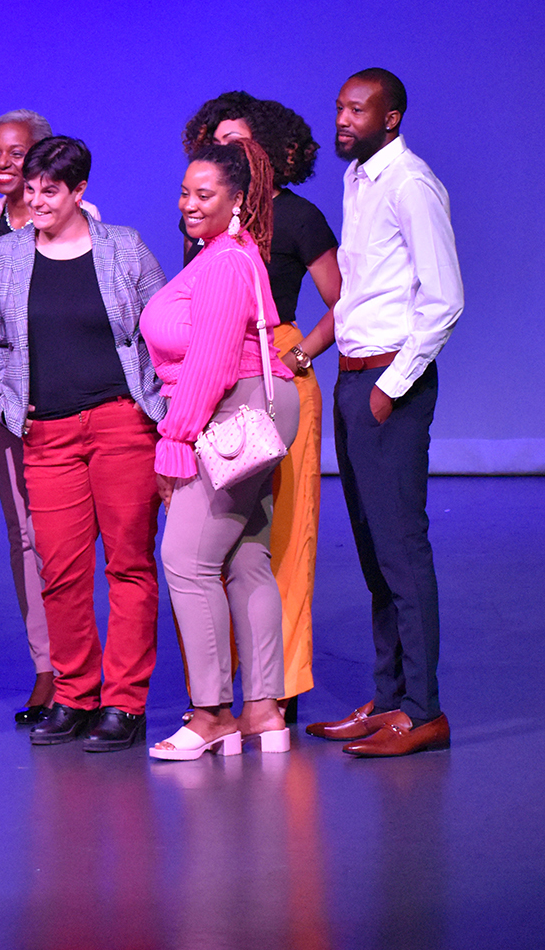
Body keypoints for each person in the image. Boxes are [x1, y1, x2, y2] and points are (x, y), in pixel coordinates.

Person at [0, 136, 167, 753]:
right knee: (58, 567)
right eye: (28, 190)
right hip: (49, 432)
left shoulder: (123, 248)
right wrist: (13, 404)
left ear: (79, 191)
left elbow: (164, 333)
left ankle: (124, 702)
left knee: (129, 563)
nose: (35, 201)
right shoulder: (8, 256)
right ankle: (76, 693)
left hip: (121, 425)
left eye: (49, 191)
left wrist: (163, 416)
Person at [306, 68, 462, 758]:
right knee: (373, 552)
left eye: (358, 109)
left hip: (388, 386)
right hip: (354, 377)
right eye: (341, 106)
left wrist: (389, 386)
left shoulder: (411, 184)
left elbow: (445, 298)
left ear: (391, 117)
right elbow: (363, 290)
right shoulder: (360, 179)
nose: (343, 118)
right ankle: (391, 696)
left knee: (401, 550)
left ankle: (423, 711)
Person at [181, 96, 341, 717]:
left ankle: (281, 686)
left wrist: (301, 355)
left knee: (283, 534)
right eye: (215, 143)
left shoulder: (299, 218)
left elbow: (344, 300)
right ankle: (233, 686)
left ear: (269, 151)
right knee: (227, 539)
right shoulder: (207, 222)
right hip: (219, 378)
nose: (227, 152)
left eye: (239, 142)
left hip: (277, 380)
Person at [141, 139, 302, 760]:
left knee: (185, 557)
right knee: (245, 557)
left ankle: (211, 716)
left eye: (204, 194)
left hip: (230, 411)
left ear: (237, 200)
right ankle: (263, 711)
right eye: (185, 192)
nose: (189, 204)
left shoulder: (227, 263)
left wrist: (174, 439)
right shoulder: (223, 256)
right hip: (247, 408)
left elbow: (208, 363)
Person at [0, 109, 100, 725]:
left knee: (75, 540)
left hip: (71, 395)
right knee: (26, 536)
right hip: (4, 396)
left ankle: (90, 669)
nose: (4, 164)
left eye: (17, 153)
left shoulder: (84, 220)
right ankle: (51, 667)